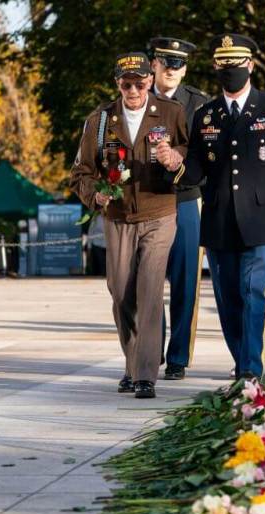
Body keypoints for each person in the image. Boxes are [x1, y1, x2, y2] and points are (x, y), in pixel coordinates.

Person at [170, 34, 265, 379]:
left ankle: (250, 367)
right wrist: (174, 165)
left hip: (261, 216)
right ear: (216, 67)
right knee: (228, 298)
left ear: (250, 65)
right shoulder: (206, 114)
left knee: (252, 291)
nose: (230, 70)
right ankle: (240, 358)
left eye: (237, 64)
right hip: (219, 218)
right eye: (224, 65)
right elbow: (197, 167)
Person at [69, 52, 188, 398]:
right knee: (121, 292)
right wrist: (96, 196)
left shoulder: (171, 112)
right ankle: (132, 362)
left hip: (159, 212)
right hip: (118, 216)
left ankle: (145, 375)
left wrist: (176, 158)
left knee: (150, 291)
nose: (133, 89)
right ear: (117, 84)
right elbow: (80, 173)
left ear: (150, 80)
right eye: (126, 84)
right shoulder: (101, 119)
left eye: (139, 82)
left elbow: (190, 154)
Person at [147, 36, 211, 381]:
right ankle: (150, 351)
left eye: (178, 64)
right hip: (149, 200)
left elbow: (206, 153)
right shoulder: (139, 97)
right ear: (154, 63)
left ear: (185, 69)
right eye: (166, 62)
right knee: (149, 281)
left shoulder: (198, 103)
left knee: (186, 282)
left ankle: (178, 356)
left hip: (186, 198)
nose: (172, 70)